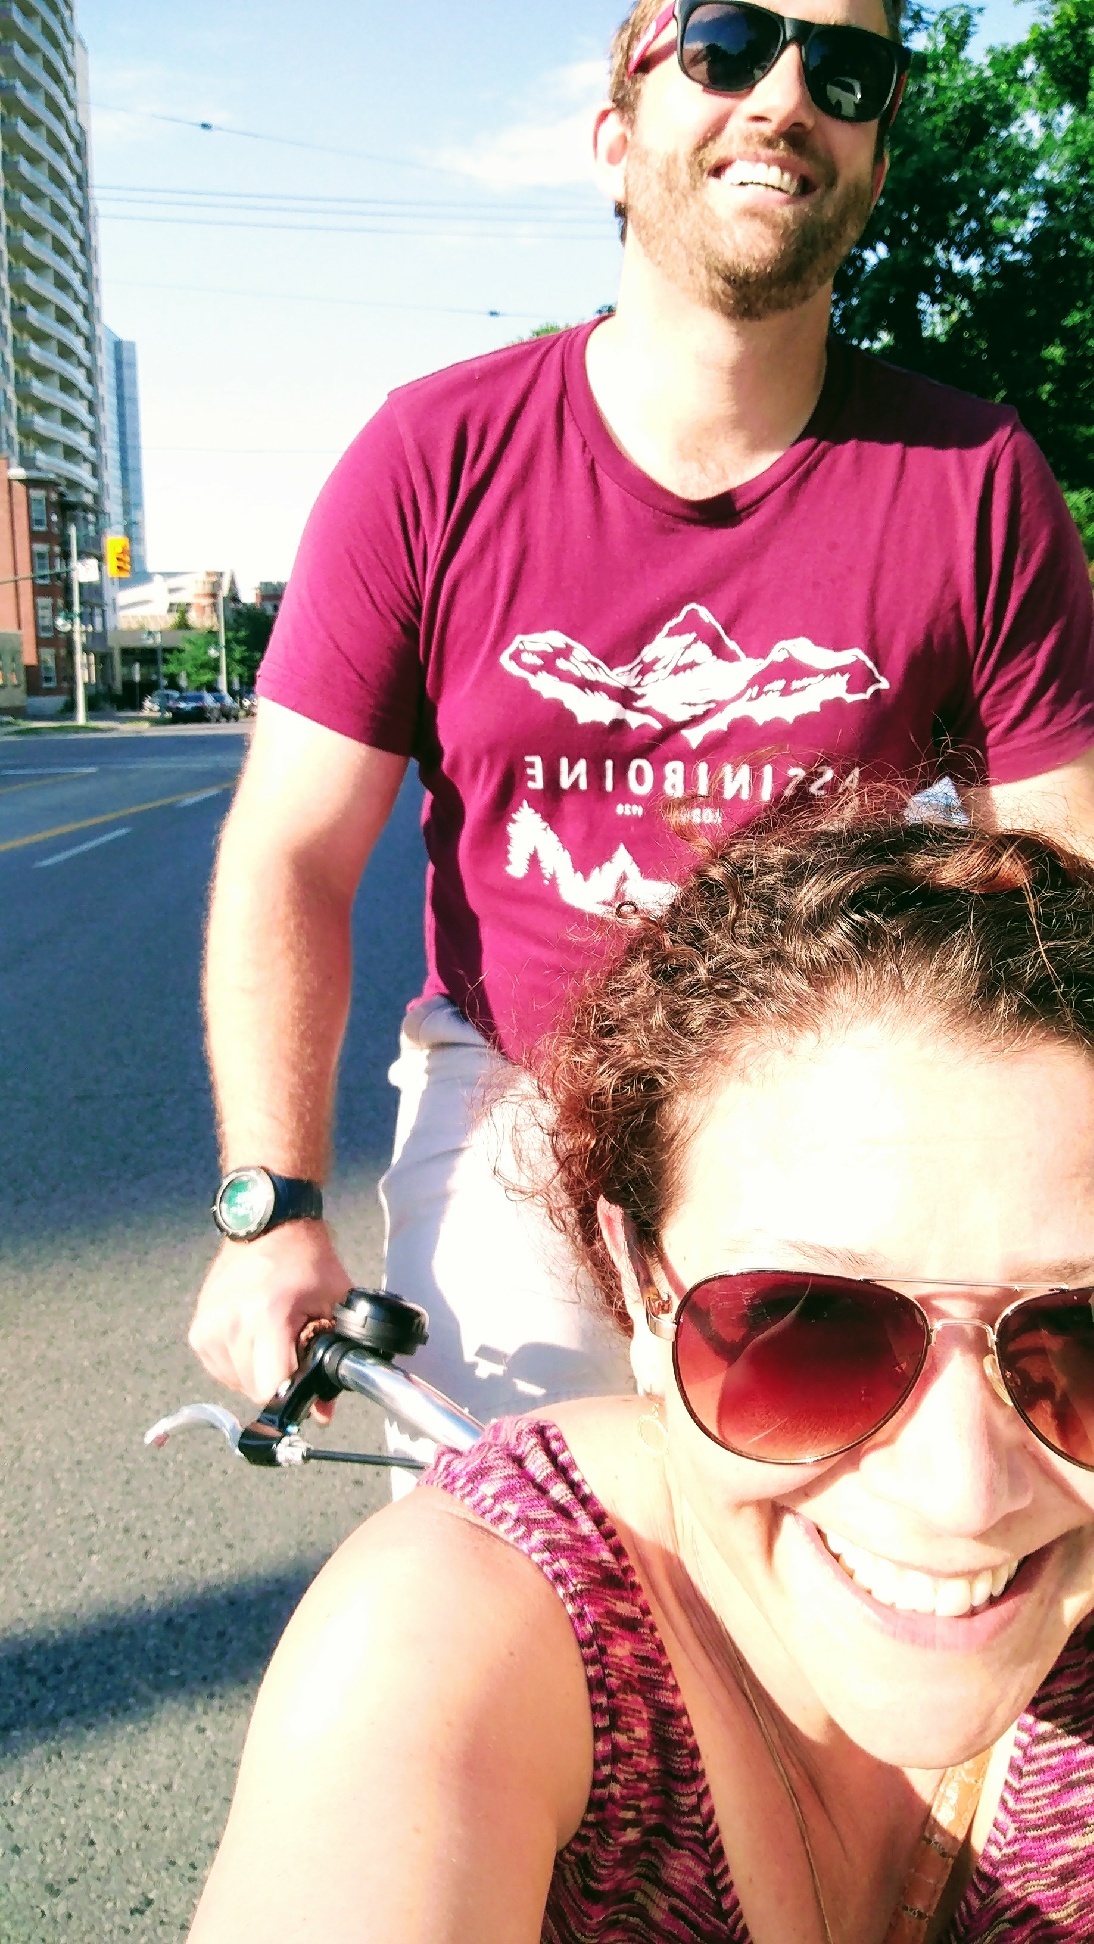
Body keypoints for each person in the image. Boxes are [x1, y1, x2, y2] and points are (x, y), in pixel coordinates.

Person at [188, 0, 1094, 1432]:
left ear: (866, 165)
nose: (787, 95)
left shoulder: (974, 478)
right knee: (536, 1522)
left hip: (839, 1089)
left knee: (879, 1518)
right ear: (613, 140)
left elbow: (1061, 890)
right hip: (520, 1082)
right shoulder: (431, 457)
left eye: (844, 72)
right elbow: (291, 853)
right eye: (730, 45)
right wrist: (268, 1206)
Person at [188, 806, 1094, 1942]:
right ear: (639, 1281)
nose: (964, 1496)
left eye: (1077, 1339)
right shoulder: (451, 1638)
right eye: (811, 1330)